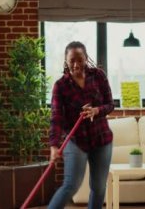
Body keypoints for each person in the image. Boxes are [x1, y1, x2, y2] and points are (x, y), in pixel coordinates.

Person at [48, 41, 114, 209]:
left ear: (86, 58)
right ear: (65, 60)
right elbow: (56, 118)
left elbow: (110, 104)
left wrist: (96, 110)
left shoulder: (98, 76)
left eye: (80, 59)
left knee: (99, 187)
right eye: (72, 60)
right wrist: (54, 146)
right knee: (70, 186)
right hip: (77, 141)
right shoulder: (60, 86)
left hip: (102, 139)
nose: (76, 64)